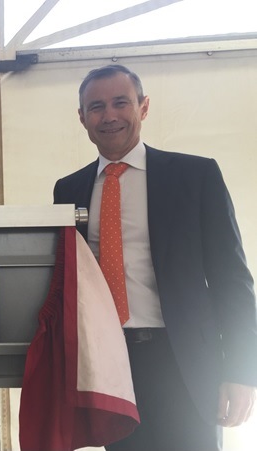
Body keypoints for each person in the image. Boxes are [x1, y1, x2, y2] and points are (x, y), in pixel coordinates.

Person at [53, 64, 257, 451]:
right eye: (96, 106)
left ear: (143, 107)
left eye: (120, 103)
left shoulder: (195, 176)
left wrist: (244, 370)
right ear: (82, 118)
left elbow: (232, 278)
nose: (109, 115)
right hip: (110, 364)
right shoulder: (69, 189)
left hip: (185, 362)